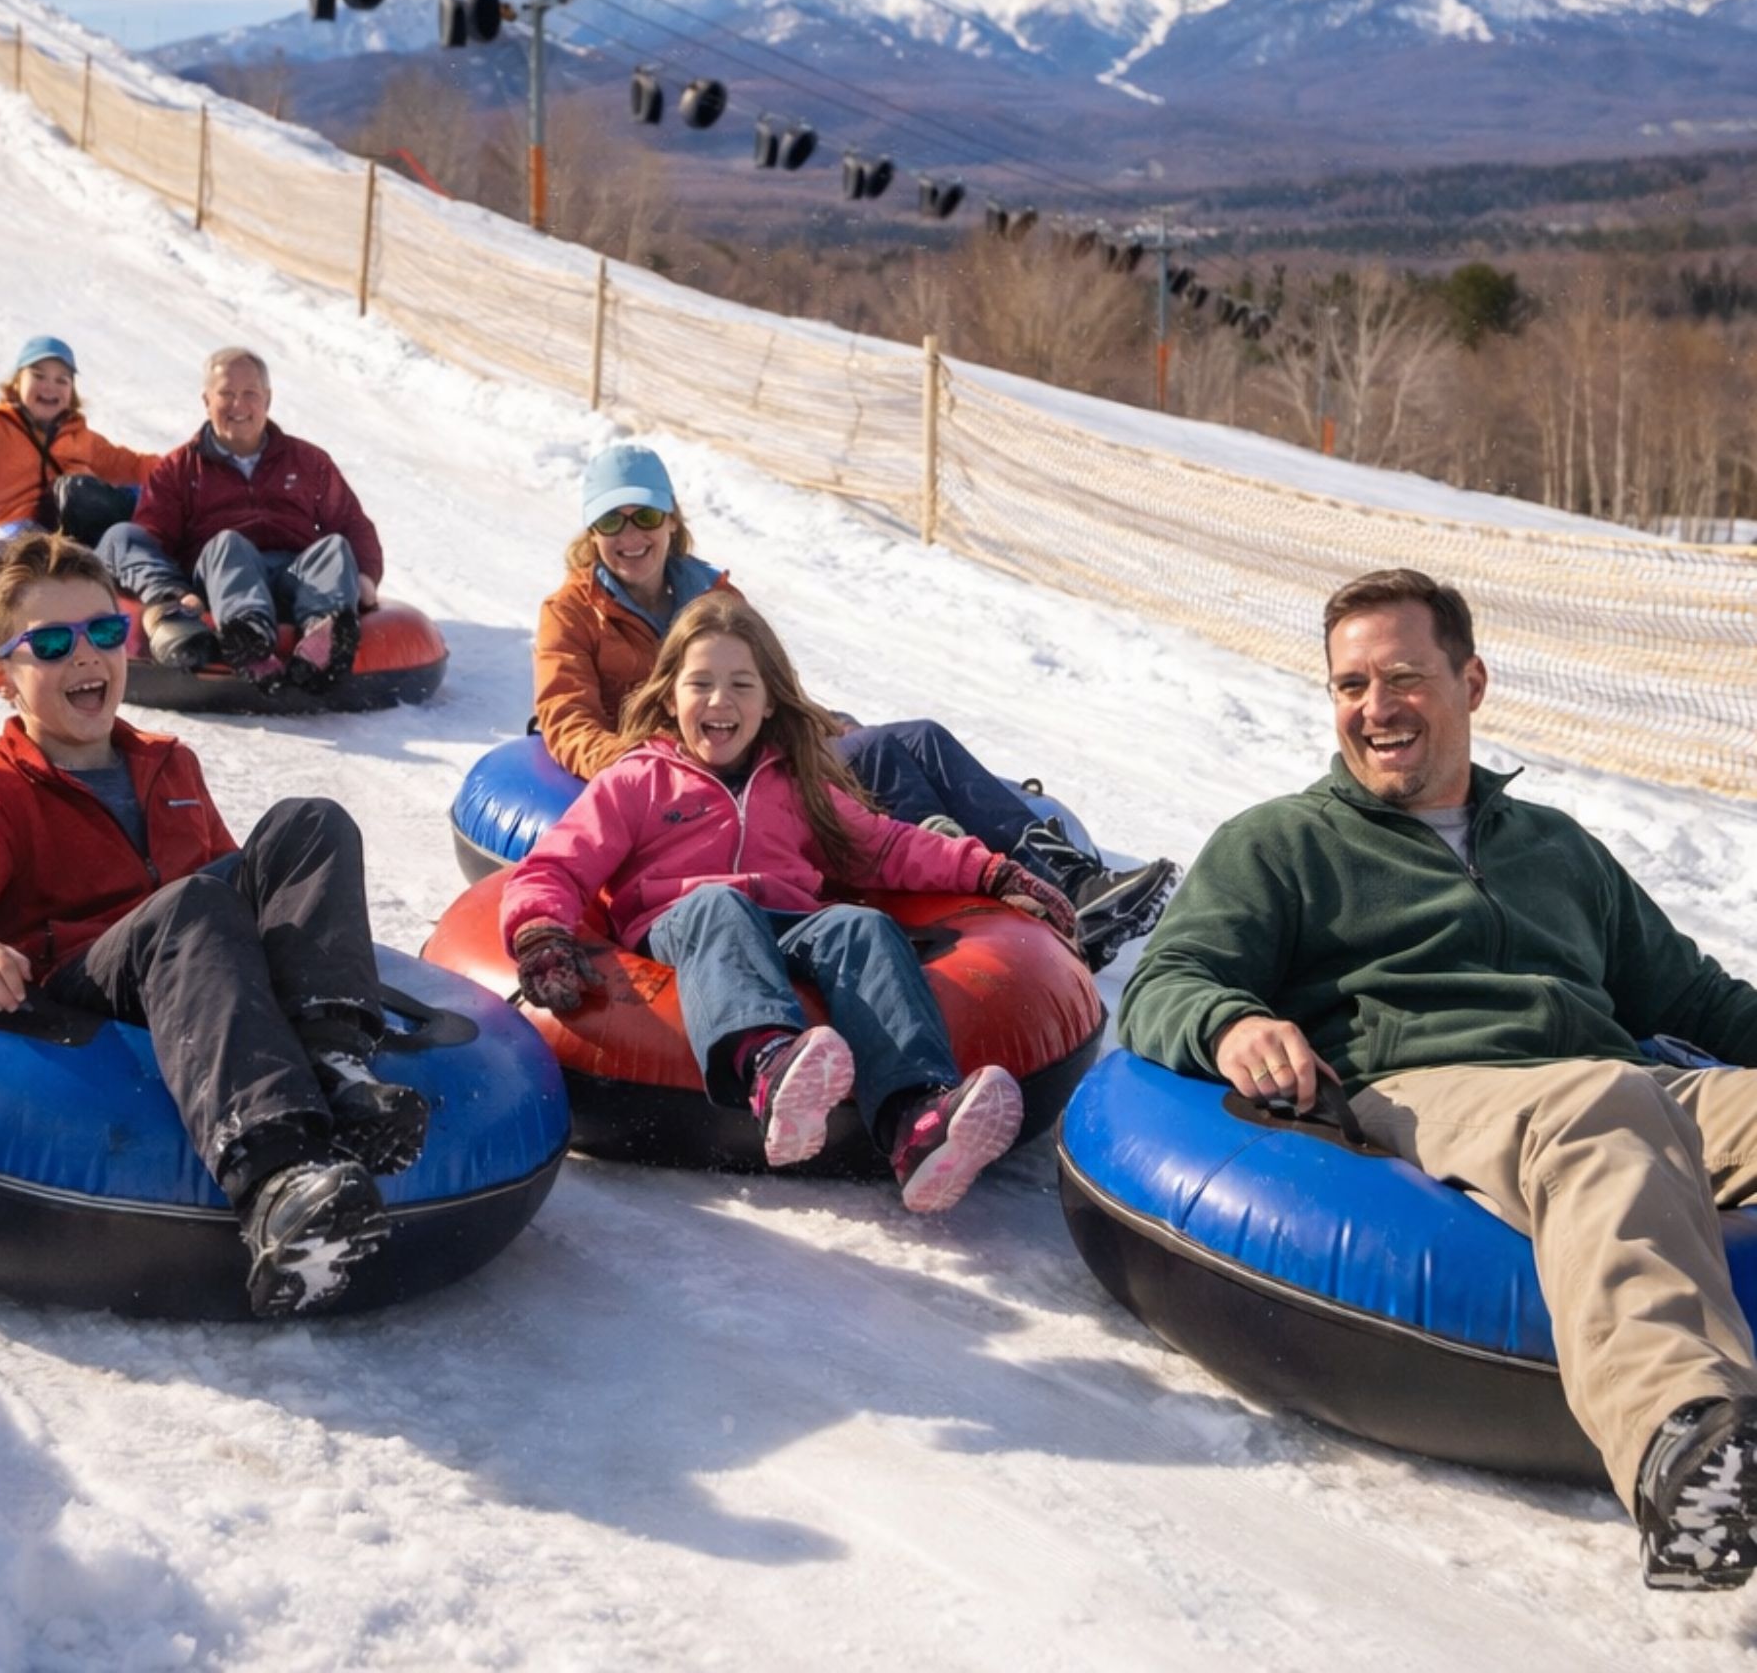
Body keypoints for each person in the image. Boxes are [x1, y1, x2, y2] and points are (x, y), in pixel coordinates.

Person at [1122, 565, 1757, 1591]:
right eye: (1348, 684)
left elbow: (1695, 995)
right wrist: (1230, 1019)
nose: (1373, 708)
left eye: (1402, 677)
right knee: (1604, 1103)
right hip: (1433, 1088)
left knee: (1624, 1092)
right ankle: (1681, 1447)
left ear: (1470, 681)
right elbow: (1167, 977)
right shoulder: (1282, 842)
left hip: (1617, 1079)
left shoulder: (1554, 846)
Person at [0, 531, 425, 1316]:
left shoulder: (168, 763)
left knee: (311, 821)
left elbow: (227, 873)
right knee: (193, 904)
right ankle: (279, 1179)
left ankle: (340, 1067)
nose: (86, 658)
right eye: (50, 643)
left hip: (196, 962)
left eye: (104, 632)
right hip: (93, 980)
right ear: (0, 677)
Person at [502, 593, 1082, 1211]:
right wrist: (541, 932)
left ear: (770, 700)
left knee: (859, 925)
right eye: (699, 683)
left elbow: (882, 846)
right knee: (720, 907)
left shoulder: (795, 782)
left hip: (787, 923)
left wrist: (991, 872)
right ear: (670, 694)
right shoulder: (637, 779)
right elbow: (558, 865)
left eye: (741, 685)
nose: (719, 701)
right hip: (681, 929)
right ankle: (770, 1069)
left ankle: (918, 1121)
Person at [533, 442, 1178, 970]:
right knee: (883, 756)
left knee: (915, 737)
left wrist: (812, 720)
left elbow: (763, 681)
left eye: (644, 517)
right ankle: (996, 869)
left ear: (672, 521)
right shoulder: (573, 613)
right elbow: (565, 717)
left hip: (751, 748)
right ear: (591, 534)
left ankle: (1070, 878)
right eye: (611, 522)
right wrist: (647, 762)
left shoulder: (712, 592)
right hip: (682, 767)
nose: (630, 536)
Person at [97, 347, 382, 695]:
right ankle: (249, 639)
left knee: (334, 548)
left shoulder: (308, 461)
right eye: (226, 394)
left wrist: (366, 575)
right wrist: (173, 595)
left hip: (295, 575)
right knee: (226, 543)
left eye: (250, 394)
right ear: (206, 400)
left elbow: (352, 522)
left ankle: (324, 639)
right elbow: (152, 537)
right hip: (226, 577)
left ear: (268, 399)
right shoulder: (180, 469)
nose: (238, 406)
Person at [0, 335, 158, 539]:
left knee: (121, 505)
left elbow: (130, 465)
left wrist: (183, 465)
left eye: (62, 380)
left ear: (71, 392)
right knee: (33, 546)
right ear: (16, 383)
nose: (50, 386)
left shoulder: (81, 436)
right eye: (38, 376)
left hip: (72, 526)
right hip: (16, 528)